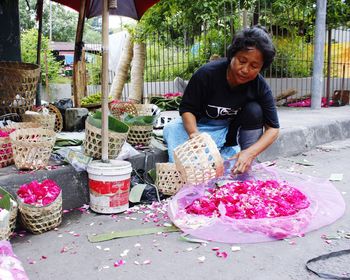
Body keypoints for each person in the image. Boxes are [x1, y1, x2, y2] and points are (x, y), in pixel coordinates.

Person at [163, 26, 280, 175]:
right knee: (173, 130)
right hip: (196, 127)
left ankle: (241, 163)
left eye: (254, 66)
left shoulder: (259, 86)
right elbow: (187, 109)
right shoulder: (207, 74)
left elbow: (273, 129)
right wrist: (194, 135)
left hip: (225, 133)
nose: (245, 69)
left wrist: (249, 153)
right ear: (232, 55)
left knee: (254, 110)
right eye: (242, 61)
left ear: (261, 67)